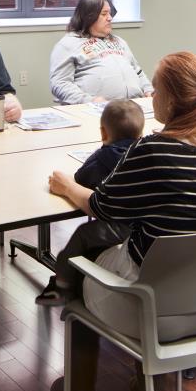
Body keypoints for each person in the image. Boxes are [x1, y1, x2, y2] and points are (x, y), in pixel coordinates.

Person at [44, 51, 196, 391]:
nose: (151, 97)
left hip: (157, 313)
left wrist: (67, 186)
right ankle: (147, 386)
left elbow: (103, 207)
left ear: (173, 100)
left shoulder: (155, 150)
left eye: (156, 90)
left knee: (84, 266)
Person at [33, 98, 145, 306]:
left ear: (103, 133)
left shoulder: (102, 157)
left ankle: (62, 285)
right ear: (140, 134)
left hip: (119, 227)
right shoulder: (145, 155)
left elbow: (80, 179)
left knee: (82, 235)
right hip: (142, 227)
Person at [49, 0, 153, 104]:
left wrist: (149, 90)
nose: (110, 18)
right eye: (104, 14)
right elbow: (60, 83)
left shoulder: (119, 41)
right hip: (93, 109)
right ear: (89, 17)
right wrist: (90, 100)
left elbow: (138, 72)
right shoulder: (68, 44)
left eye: (110, 13)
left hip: (134, 106)